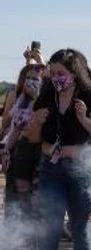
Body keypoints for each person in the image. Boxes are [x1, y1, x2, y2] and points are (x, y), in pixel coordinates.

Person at [22, 49, 91, 250]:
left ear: (75, 74)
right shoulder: (46, 96)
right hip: (52, 170)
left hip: (82, 172)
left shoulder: (89, 95)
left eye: (61, 73)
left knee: (81, 227)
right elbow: (32, 139)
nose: (56, 78)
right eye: (52, 73)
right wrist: (37, 122)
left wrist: (84, 119)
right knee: (50, 227)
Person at [2, 63, 45, 219]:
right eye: (28, 78)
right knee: (18, 196)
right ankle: (16, 233)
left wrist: (36, 99)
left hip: (40, 153)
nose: (30, 81)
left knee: (35, 198)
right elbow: (15, 128)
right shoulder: (22, 99)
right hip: (22, 150)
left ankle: (36, 235)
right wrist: (5, 149)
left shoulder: (45, 101)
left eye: (35, 79)